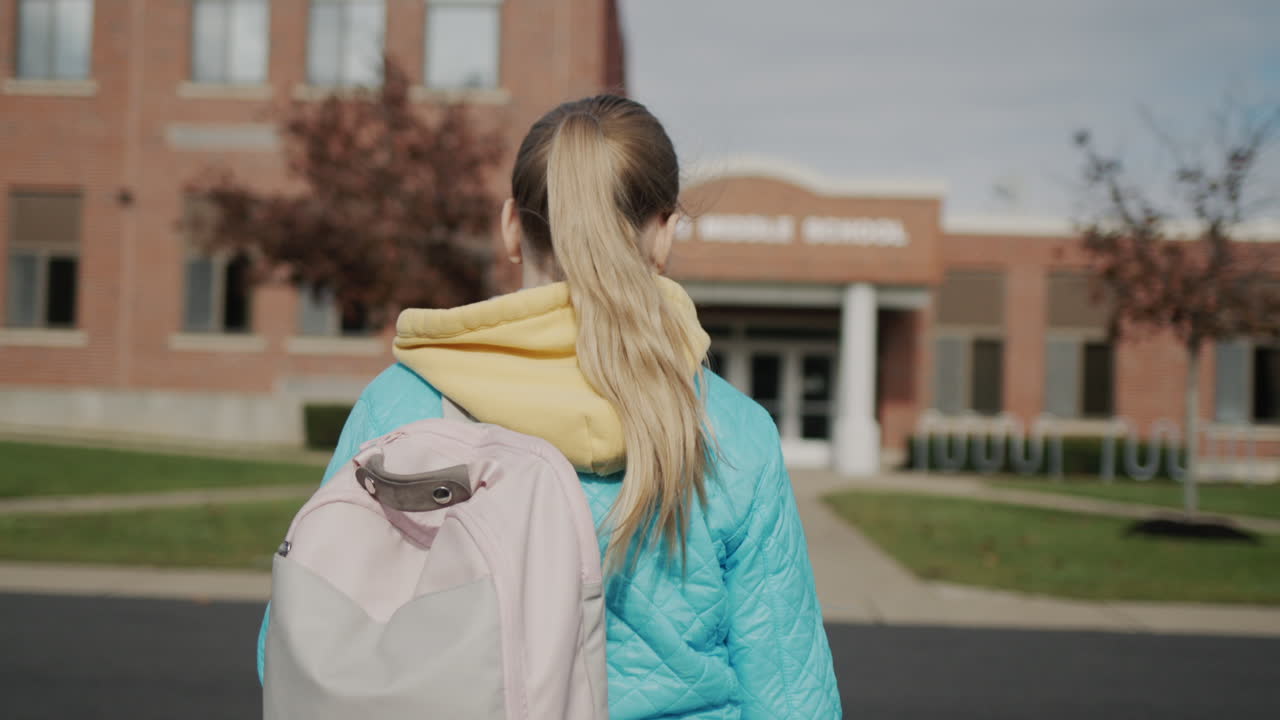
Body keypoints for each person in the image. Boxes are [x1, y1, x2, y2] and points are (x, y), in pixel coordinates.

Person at [259, 94, 841, 719]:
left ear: (512, 225)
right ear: (666, 232)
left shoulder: (401, 404)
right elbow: (790, 695)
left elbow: (293, 641)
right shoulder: (730, 430)